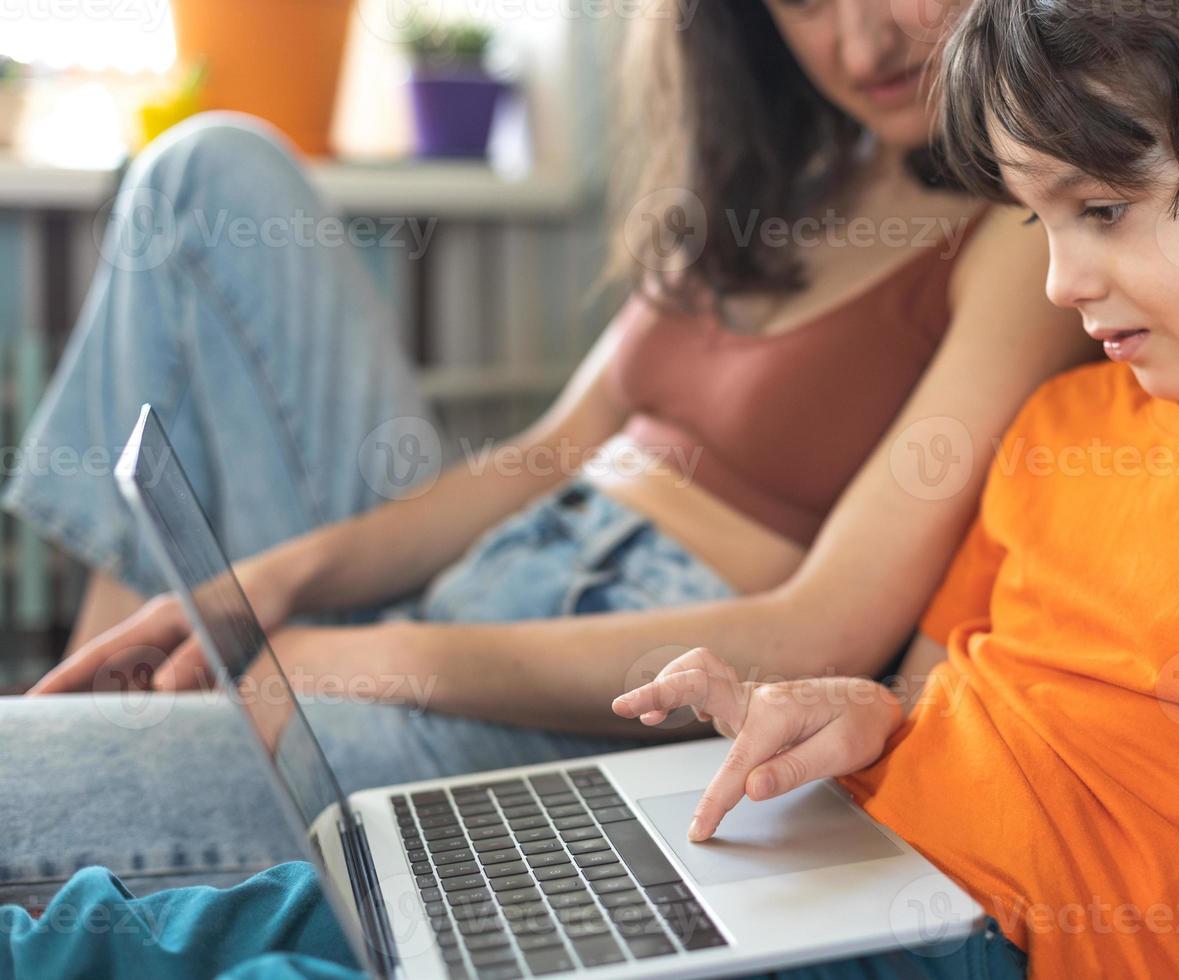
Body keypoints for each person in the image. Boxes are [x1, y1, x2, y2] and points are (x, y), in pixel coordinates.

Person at [6, 0, 1179, 976]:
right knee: (289, 919)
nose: (1060, 274)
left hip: (958, 927)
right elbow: (918, 691)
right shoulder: (1066, 424)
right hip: (808, 848)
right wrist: (852, 715)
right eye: (1036, 217)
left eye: (1097, 212)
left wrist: (346, 656)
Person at [0, 1, 1092, 906]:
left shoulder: (1018, 232)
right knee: (206, 169)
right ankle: (132, 718)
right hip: (472, 591)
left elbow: (819, 626)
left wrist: (387, 657)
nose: (861, 44)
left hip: (579, 701)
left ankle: (117, 801)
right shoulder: (778, 188)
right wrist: (267, 585)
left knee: (18, 791)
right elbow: (543, 454)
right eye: (806, 1)